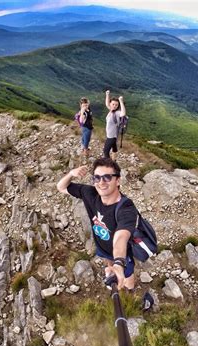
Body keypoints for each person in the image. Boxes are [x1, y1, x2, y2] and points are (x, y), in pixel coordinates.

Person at [56, 157, 137, 290]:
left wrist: (119, 262)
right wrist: (71, 174)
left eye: (107, 177)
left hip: (123, 254)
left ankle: (129, 291)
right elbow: (61, 187)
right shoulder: (90, 193)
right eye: (97, 178)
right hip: (102, 246)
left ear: (118, 180)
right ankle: (112, 271)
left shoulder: (126, 207)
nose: (101, 182)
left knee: (127, 275)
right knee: (108, 261)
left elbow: (121, 237)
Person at [103, 90, 126, 160]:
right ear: (111, 104)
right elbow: (107, 104)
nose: (114, 106)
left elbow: (123, 113)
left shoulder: (117, 113)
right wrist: (107, 95)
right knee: (114, 149)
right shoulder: (111, 110)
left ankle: (109, 165)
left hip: (111, 137)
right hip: (112, 135)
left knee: (105, 151)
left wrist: (121, 101)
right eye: (113, 104)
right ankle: (114, 161)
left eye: (116, 105)